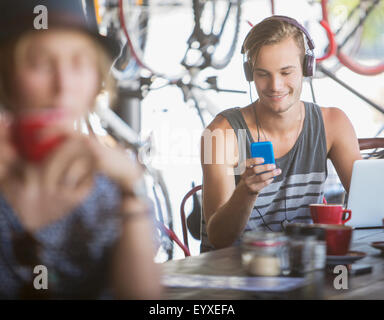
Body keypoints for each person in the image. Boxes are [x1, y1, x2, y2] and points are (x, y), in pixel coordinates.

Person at [0, 0, 162, 299]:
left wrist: (132, 186)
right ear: (6, 76)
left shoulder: (110, 183)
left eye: (79, 64)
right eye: (39, 64)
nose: (63, 86)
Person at [200, 16, 362, 252]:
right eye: (263, 73)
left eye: (286, 72)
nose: (275, 85)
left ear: (307, 68)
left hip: (301, 266)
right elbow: (218, 238)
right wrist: (246, 191)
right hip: (230, 274)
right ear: (250, 73)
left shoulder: (333, 124)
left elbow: (371, 205)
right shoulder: (218, 134)